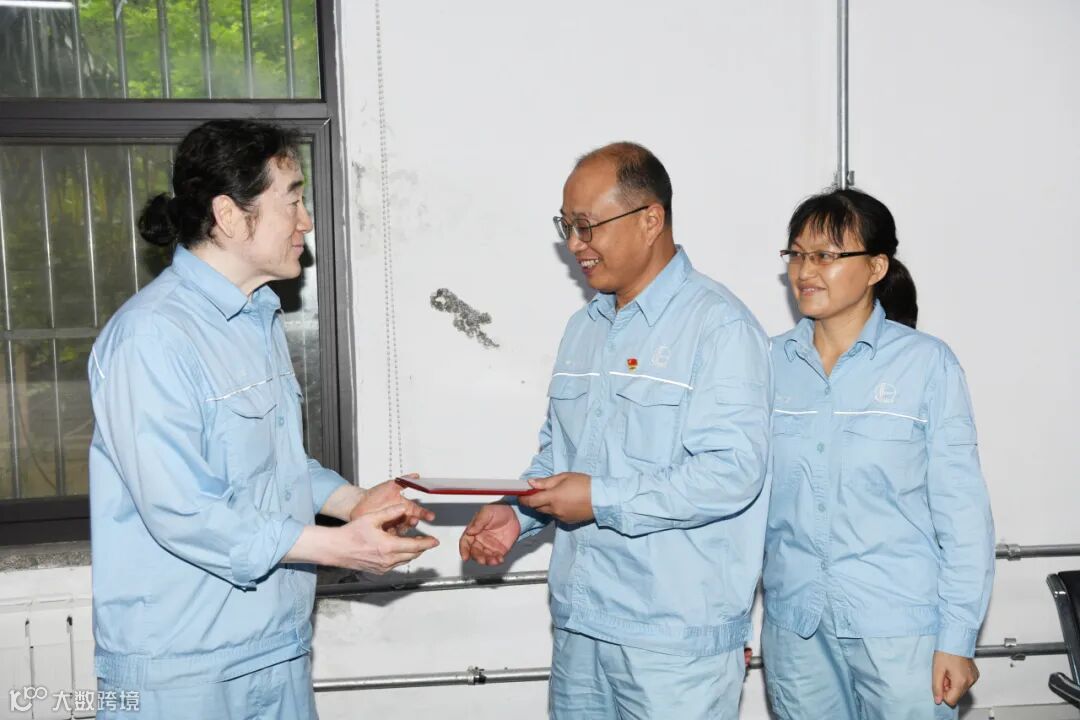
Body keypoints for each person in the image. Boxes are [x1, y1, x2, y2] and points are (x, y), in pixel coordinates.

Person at [88, 119, 438, 719]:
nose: (307, 221)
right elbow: (184, 509)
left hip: (275, 645)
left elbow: (276, 466)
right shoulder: (151, 337)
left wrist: (354, 503)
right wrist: (336, 547)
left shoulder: (257, 318)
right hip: (183, 669)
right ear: (229, 215)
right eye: (293, 200)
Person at [459, 142, 771, 718]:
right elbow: (560, 457)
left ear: (650, 220)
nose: (575, 244)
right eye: (566, 226)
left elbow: (731, 473)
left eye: (587, 226)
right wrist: (518, 514)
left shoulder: (718, 327)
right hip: (582, 626)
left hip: (672, 645)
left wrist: (601, 498)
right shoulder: (584, 328)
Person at [761, 188, 995, 719]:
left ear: (875, 267)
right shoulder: (767, 364)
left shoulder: (926, 365)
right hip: (796, 630)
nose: (805, 271)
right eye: (796, 254)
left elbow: (963, 515)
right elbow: (744, 504)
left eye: (826, 255)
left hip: (902, 634)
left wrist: (957, 638)